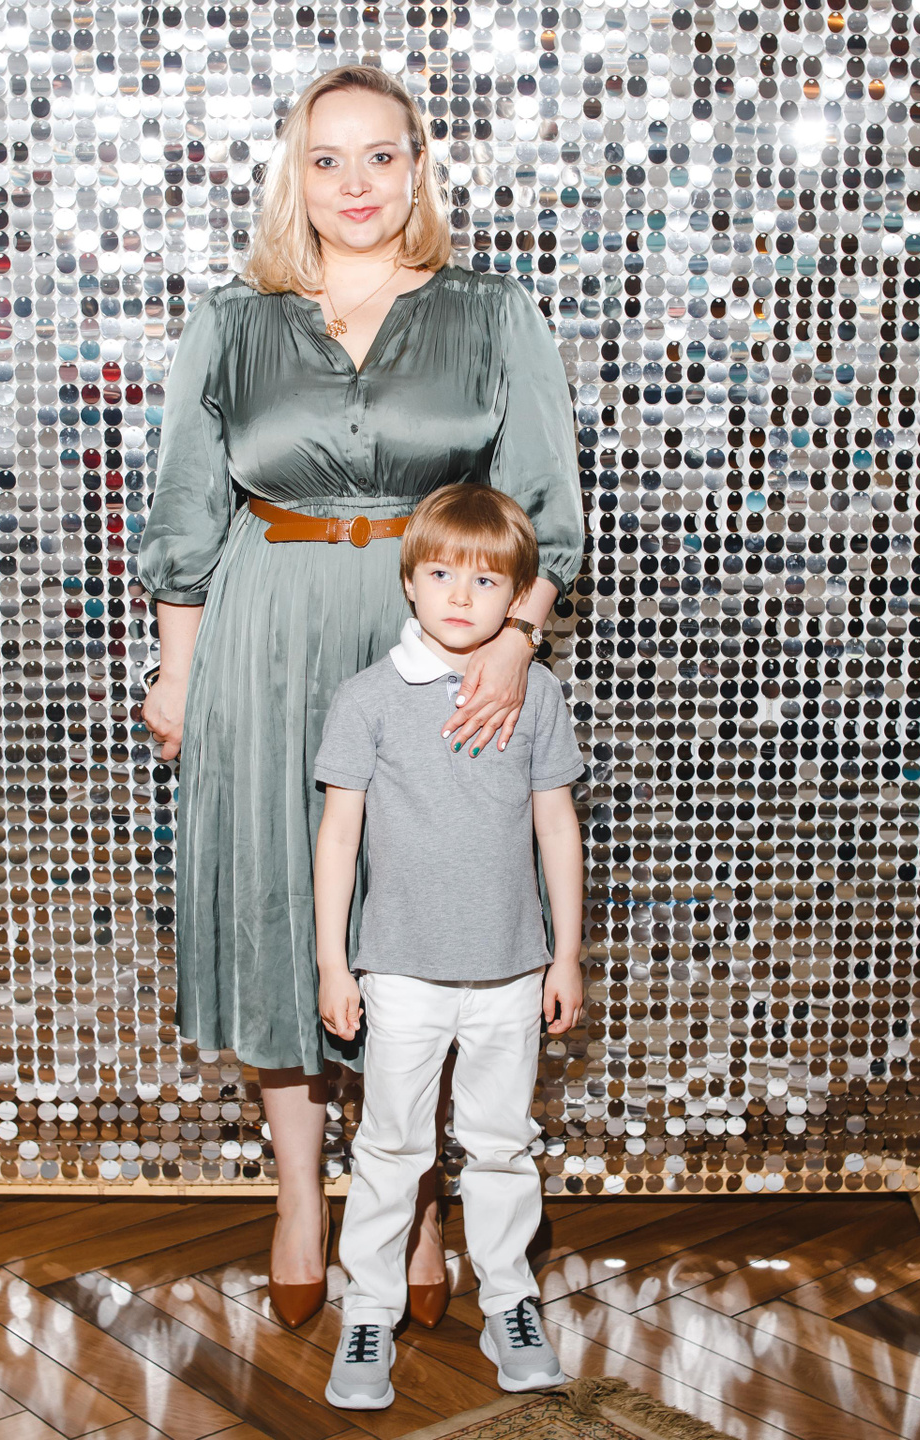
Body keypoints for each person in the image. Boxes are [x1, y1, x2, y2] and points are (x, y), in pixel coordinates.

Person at [134, 63, 584, 1330]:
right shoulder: (233, 320)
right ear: (296, 175)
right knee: (284, 906)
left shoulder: (491, 312)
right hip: (264, 639)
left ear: (418, 166)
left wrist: (517, 642)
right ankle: (298, 1203)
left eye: (380, 156)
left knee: (431, 915)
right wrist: (178, 672)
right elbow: (186, 508)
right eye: (326, 159)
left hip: (438, 644)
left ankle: (420, 1204)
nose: (355, 184)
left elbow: (544, 500)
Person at [314, 486, 586, 1410]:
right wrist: (334, 962)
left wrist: (566, 954)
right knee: (391, 1147)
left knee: (502, 1145)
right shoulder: (367, 698)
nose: (461, 596)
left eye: (485, 580)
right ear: (409, 580)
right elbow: (338, 836)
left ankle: (510, 1301)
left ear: (519, 594)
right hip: (400, 971)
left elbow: (557, 827)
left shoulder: (536, 693)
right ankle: (368, 1312)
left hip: (511, 971)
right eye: (440, 574)